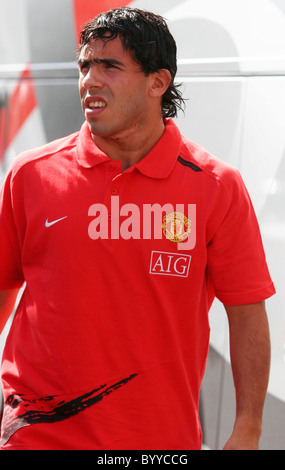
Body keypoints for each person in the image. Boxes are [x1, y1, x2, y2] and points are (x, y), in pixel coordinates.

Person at [0, 7, 275, 450]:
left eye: (110, 66)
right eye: (85, 65)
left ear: (157, 82)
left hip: (157, 445)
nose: (90, 79)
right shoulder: (30, 174)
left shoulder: (216, 186)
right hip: (36, 438)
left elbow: (246, 314)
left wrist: (248, 428)